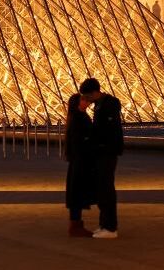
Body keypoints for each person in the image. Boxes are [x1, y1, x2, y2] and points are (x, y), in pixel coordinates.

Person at [80, 78, 122, 239]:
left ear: (95, 92)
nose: (86, 100)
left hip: (107, 152)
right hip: (102, 151)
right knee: (102, 188)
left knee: (106, 189)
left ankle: (110, 228)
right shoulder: (100, 104)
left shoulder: (109, 105)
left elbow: (108, 131)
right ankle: (104, 224)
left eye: (87, 96)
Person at [63, 92, 95, 237]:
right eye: (83, 99)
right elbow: (79, 141)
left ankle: (76, 224)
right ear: (77, 103)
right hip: (80, 161)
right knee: (77, 193)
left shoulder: (78, 116)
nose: (86, 101)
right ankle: (75, 226)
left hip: (79, 160)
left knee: (78, 193)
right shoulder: (78, 118)